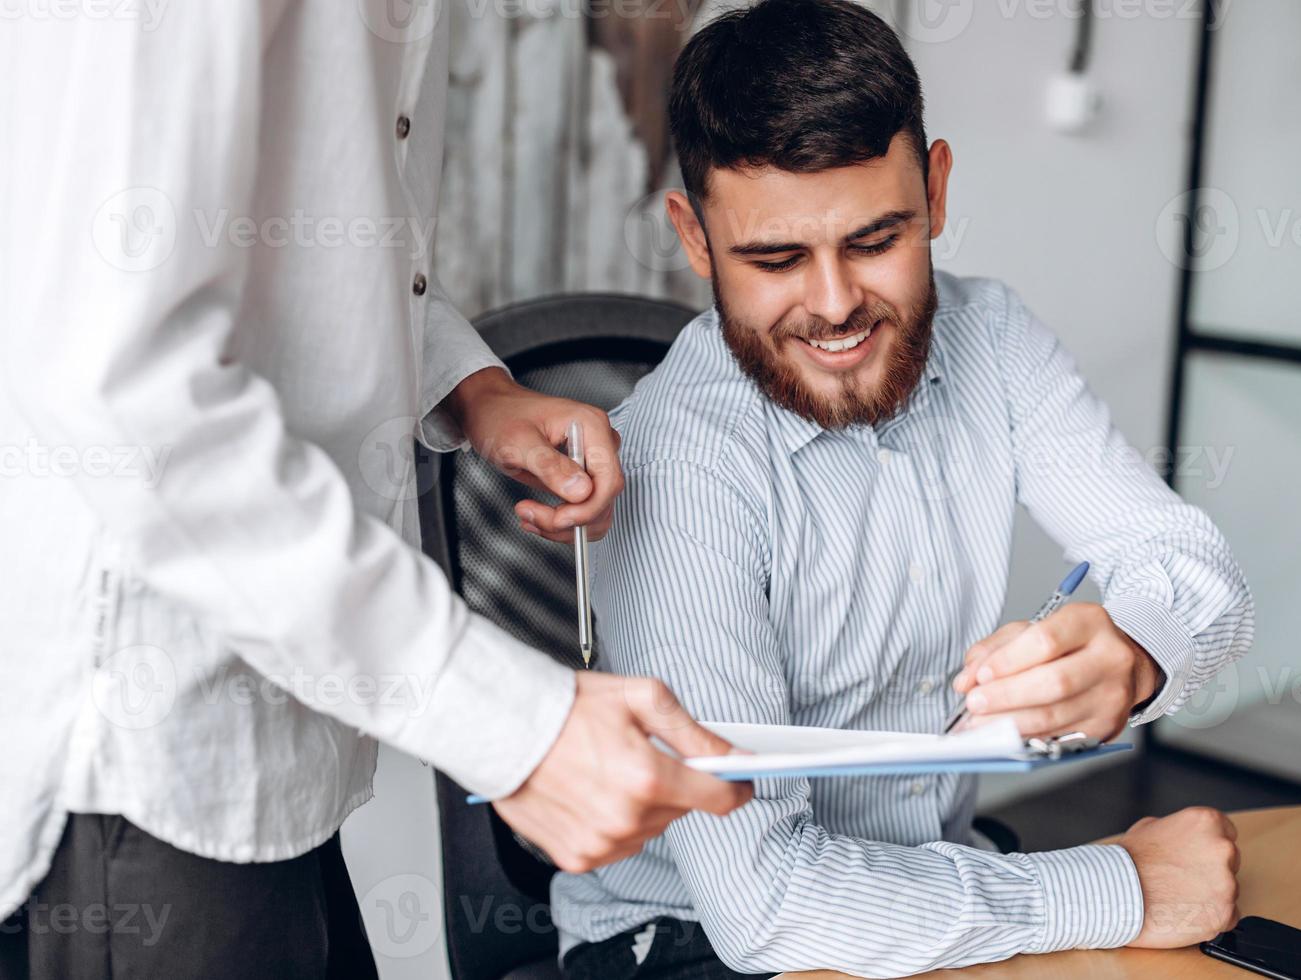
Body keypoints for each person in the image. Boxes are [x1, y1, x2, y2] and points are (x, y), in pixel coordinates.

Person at [0, 3, 749, 977]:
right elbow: (115, 373)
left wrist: (471, 387)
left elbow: (314, 248)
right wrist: (514, 724)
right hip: (151, 752)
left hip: (277, 728)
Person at [550, 1, 1254, 977]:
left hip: (931, 880)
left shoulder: (994, 336)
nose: (836, 305)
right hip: (692, 941)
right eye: (776, 258)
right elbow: (766, 902)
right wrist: (1122, 884)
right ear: (696, 238)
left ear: (936, 189)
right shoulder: (674, 463)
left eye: (875, 239)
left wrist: (1137, 648)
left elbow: (1192, 566)